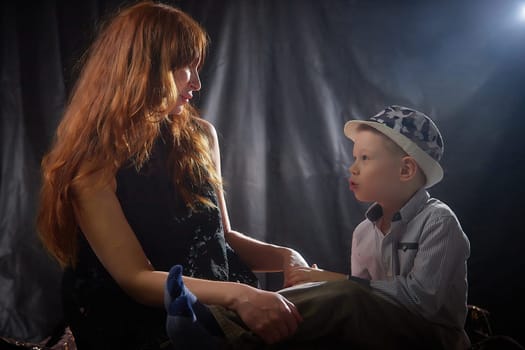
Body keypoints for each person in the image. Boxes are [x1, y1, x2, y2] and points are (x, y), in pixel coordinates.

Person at [36, 2, 310, 349]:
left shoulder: (200, 136)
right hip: (139, 319)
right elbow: (136, 279)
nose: (196, 82)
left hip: (220, 303)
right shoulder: (92, 165)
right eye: (185, 69)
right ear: (146, 70)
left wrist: (285, 257)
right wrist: (238, 296)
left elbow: (220, 238)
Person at [286, 105, 471, 349]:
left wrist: (335, 281)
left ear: (405, 169)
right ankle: (256, 315)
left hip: (433, 339)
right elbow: (363, 306)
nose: (353, 168)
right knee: (328, 304)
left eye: (365, 158)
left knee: (343, 297)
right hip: (379, 335)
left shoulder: (438, 221)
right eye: (354, 158)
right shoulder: (363, 232)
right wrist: (324, 287)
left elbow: (421, 301)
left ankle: (240, 325)